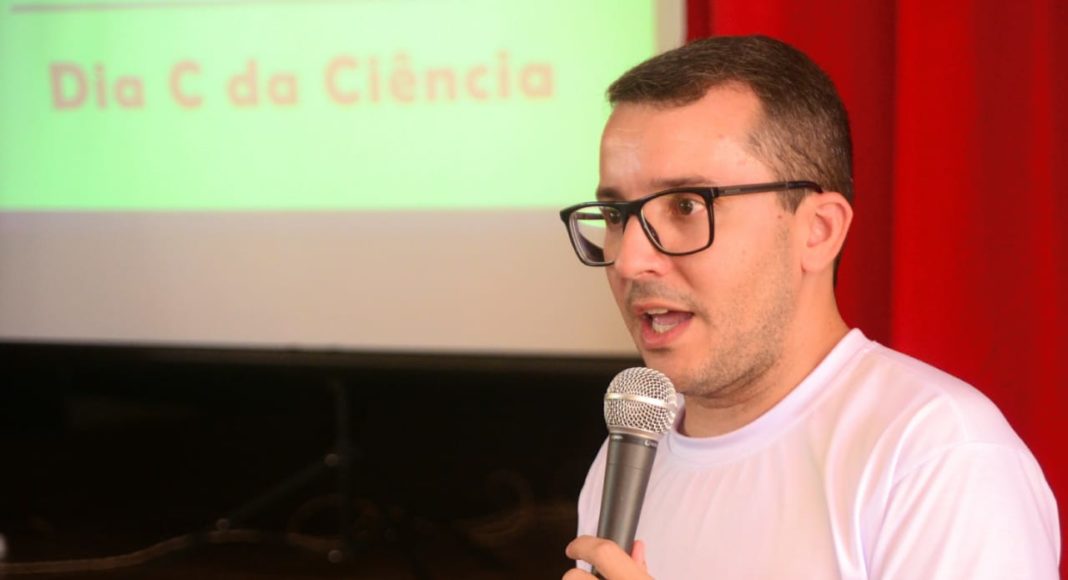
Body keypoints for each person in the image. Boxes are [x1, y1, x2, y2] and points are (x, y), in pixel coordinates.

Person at [557, 35, 1060, 579]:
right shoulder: (624, 462)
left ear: (818, 231)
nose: (630, 261)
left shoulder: (937, 455)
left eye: (685, 206)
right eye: (615, 215)